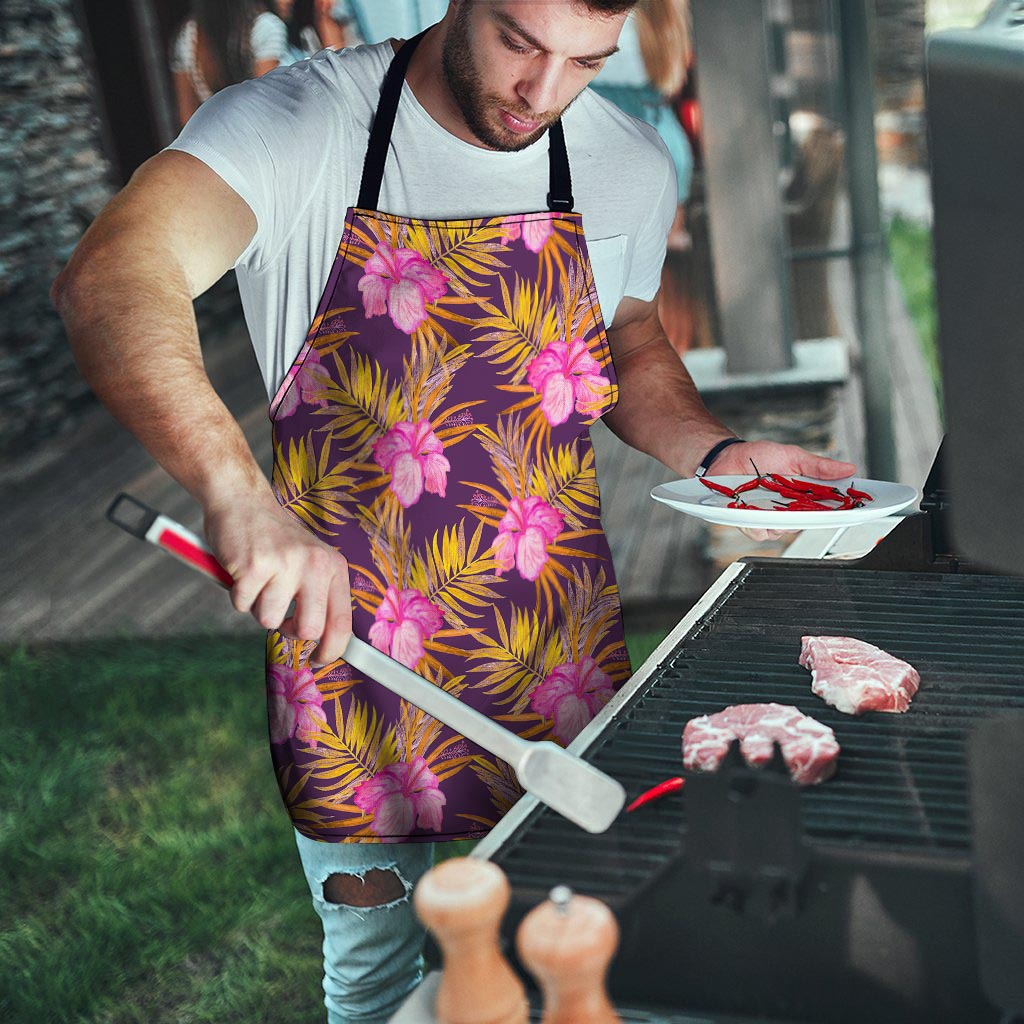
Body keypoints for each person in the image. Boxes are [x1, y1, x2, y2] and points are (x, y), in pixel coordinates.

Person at [53, 2, 856, 1020]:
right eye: (521, 43)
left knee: (582, 950)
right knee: (381, 978)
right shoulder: (299, 125)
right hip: (352, 666)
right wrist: (236, 496)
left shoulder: (624, 161)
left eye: (585, 62)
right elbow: (112, 275)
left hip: (554, 649)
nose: (543, 92)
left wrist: (718, 450)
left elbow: (630, 334)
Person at [170, 0, 288, 126]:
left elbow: (187, 117)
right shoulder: (265, 27)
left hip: (215, 138)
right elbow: (265, 105)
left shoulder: (187, 36)